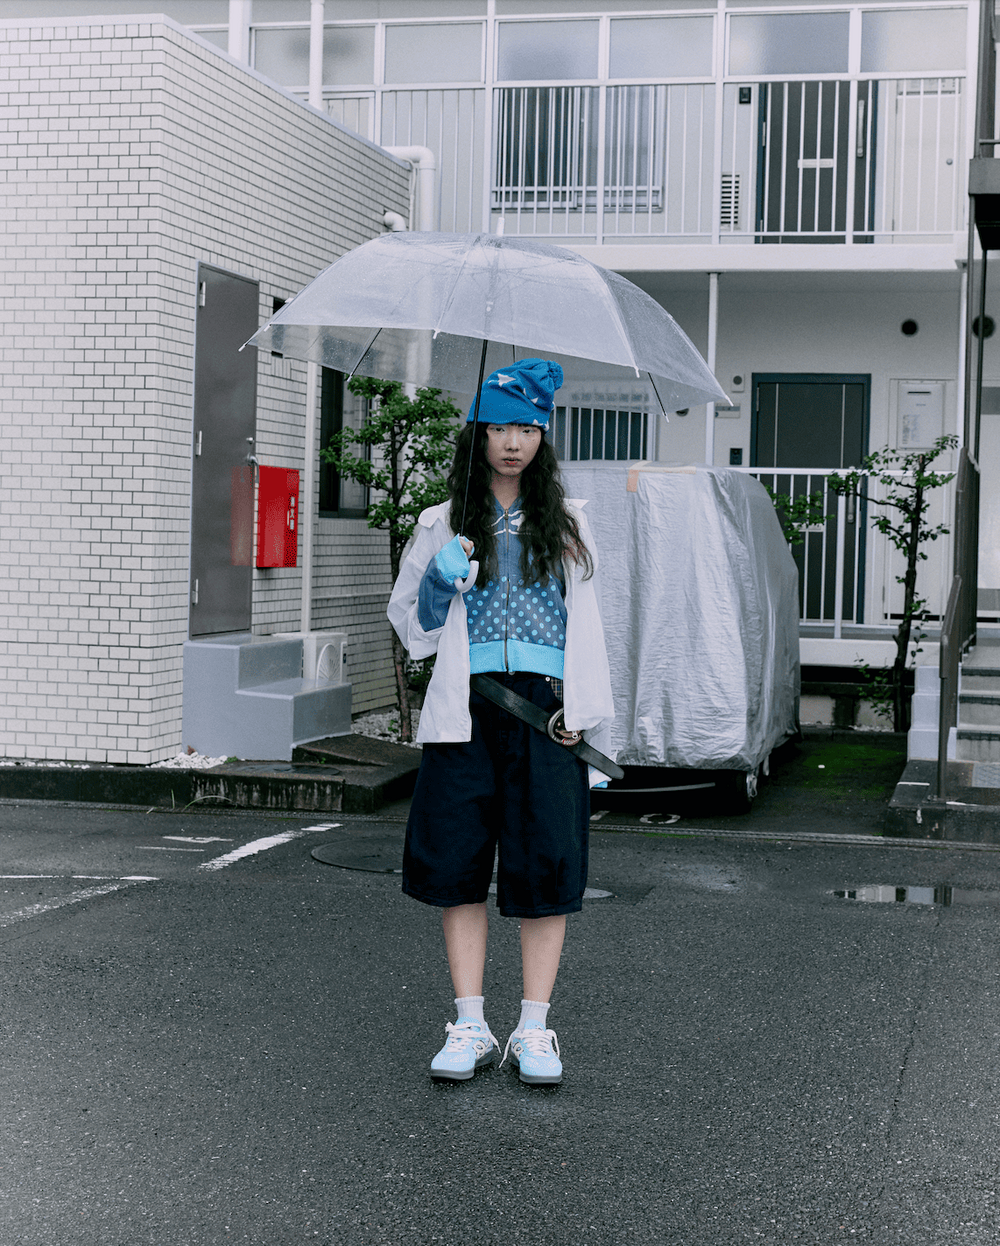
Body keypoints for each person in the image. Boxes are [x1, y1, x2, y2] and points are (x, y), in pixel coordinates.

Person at [387, 357, 615, 1086]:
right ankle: (470, 1023)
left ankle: (534, 1029)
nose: (513, 443)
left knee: (547, 864)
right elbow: (413, 630)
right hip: (467, 707)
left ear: (543, 437)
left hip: (545, 713)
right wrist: (437, 580)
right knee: (458, 864)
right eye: (499, 428)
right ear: (477, 433)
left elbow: (589, 629)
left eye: (528, 429)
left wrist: (582, 710)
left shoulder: (569, 524)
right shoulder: (443, 522)